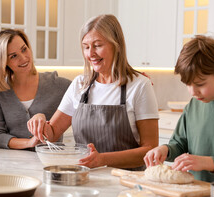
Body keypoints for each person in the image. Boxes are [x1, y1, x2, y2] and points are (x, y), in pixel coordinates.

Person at [28, 14, 159, 169]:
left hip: (126, 181)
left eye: (97, 45)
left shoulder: (139, 86)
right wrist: (40, 119)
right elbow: (52, 134)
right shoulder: (79, 85)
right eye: (86, 47)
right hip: (84, 177)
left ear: (116, 45)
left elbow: (150, 150)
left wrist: (103, 159)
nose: (91, 54)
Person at [144, 35, 214, 183]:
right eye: (187, 84)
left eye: (200, 84)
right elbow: (179, 143)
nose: (192, 92)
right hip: (194, 194)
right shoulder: (193, 105)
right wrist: (165, 150)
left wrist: (207, 162)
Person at [0, 29, 71, 150]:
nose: (24, 58)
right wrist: (29, 143)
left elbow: (87, 101)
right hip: (14, 163)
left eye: (24, 49)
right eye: (14, 56)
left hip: (51, 160)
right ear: (3, 62)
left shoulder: (58, 85)